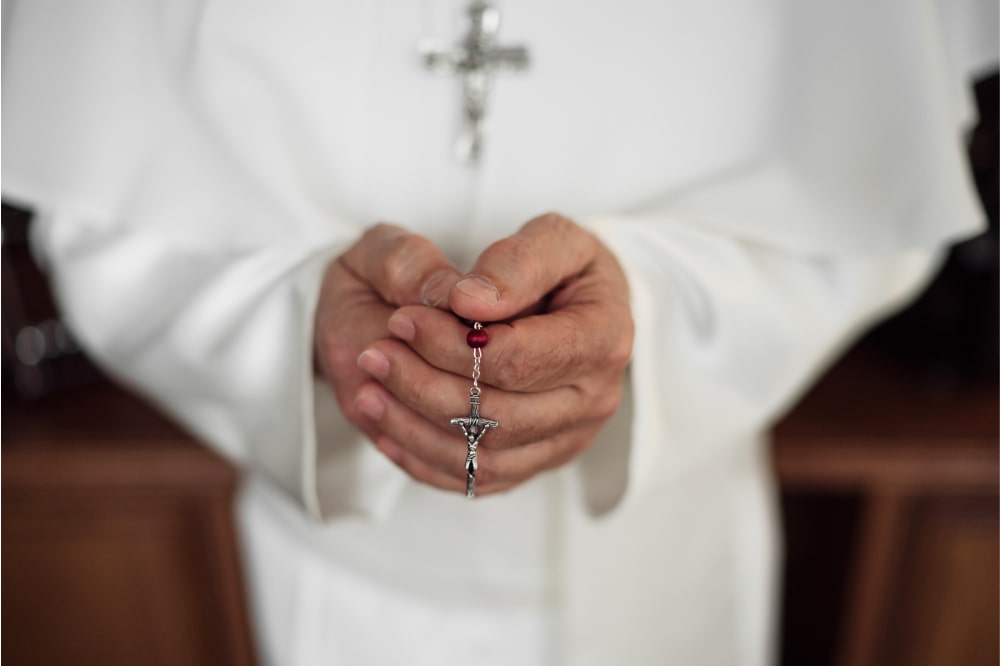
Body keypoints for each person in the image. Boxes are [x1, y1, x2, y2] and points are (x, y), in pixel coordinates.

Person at [4, 1, 995, 664]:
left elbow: (862, 205)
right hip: (334, 571)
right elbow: (112, 222)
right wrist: (301, 317)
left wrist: (649, 309)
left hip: (676, 562)